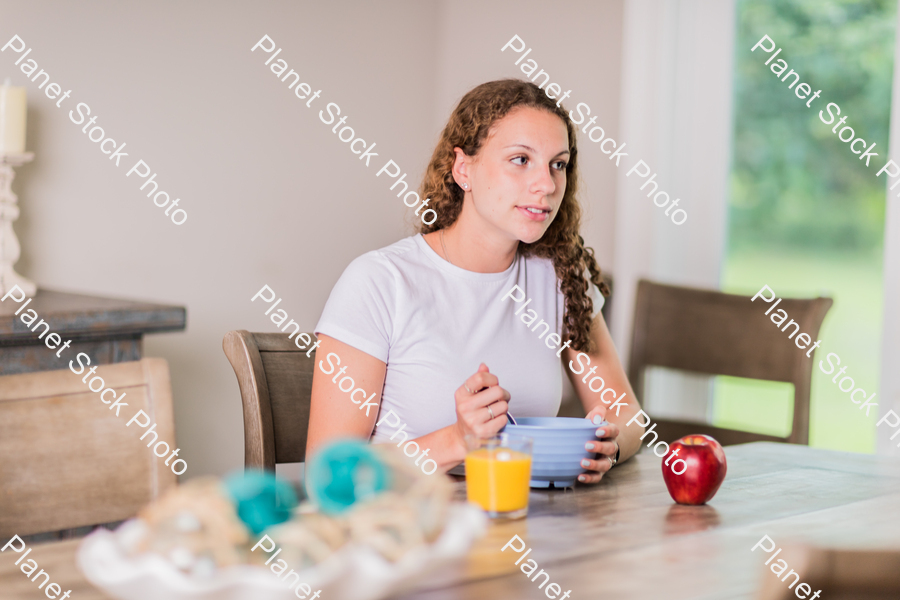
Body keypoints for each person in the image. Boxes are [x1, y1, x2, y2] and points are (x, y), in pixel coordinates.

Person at [306, 79, 644, 483]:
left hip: (521, 528)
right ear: (463, 169)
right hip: (406, 532)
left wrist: (608, 447)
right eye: (521, 160)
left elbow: (625, 416)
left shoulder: (559, 278)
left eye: (558, 164)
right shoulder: (380, 282)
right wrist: (457, 440)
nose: (548, 184)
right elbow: (327, 474)